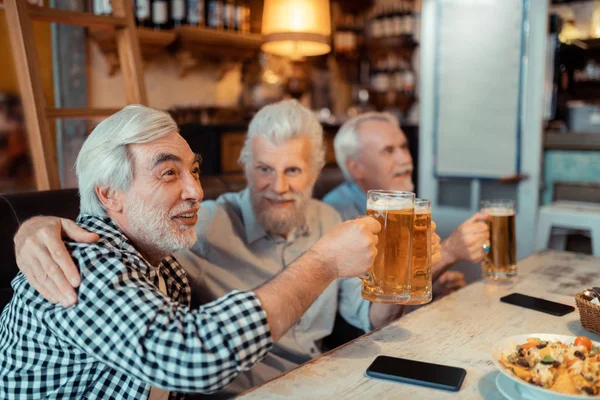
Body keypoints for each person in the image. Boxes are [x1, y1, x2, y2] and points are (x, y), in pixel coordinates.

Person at [12, 100, 435, 397]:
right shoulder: (82, 263)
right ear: (110, 195)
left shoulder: (165, 267)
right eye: (167, 173)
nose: (195, 191)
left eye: (193, 171)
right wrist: (322, 262)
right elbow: (193, 355)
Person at [323, 112, 492, 293]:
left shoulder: (399, 206)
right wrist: (448, 252)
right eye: (388, 151)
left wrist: (434, 285)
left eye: (404, 147)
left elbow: (402, 288)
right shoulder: (334, 213)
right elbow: (369, 309)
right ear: (356, 168)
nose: (406, 159)